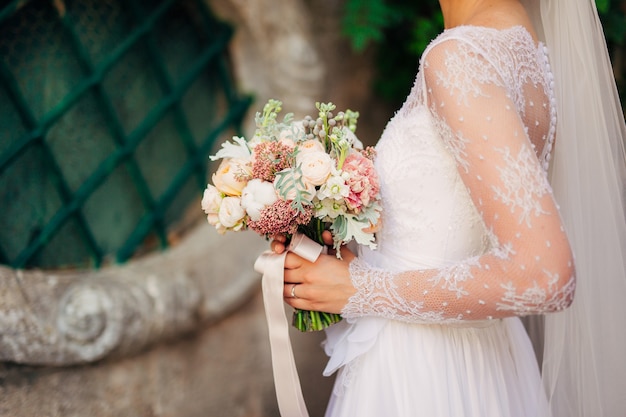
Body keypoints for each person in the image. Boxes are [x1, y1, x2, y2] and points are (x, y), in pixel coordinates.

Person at [272, 0, 626, 416]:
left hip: (424, 373)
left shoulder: (460, 58)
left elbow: (544, 275)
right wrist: (333, 247)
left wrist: (359, 289)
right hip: (483, 363)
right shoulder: (521, 49)